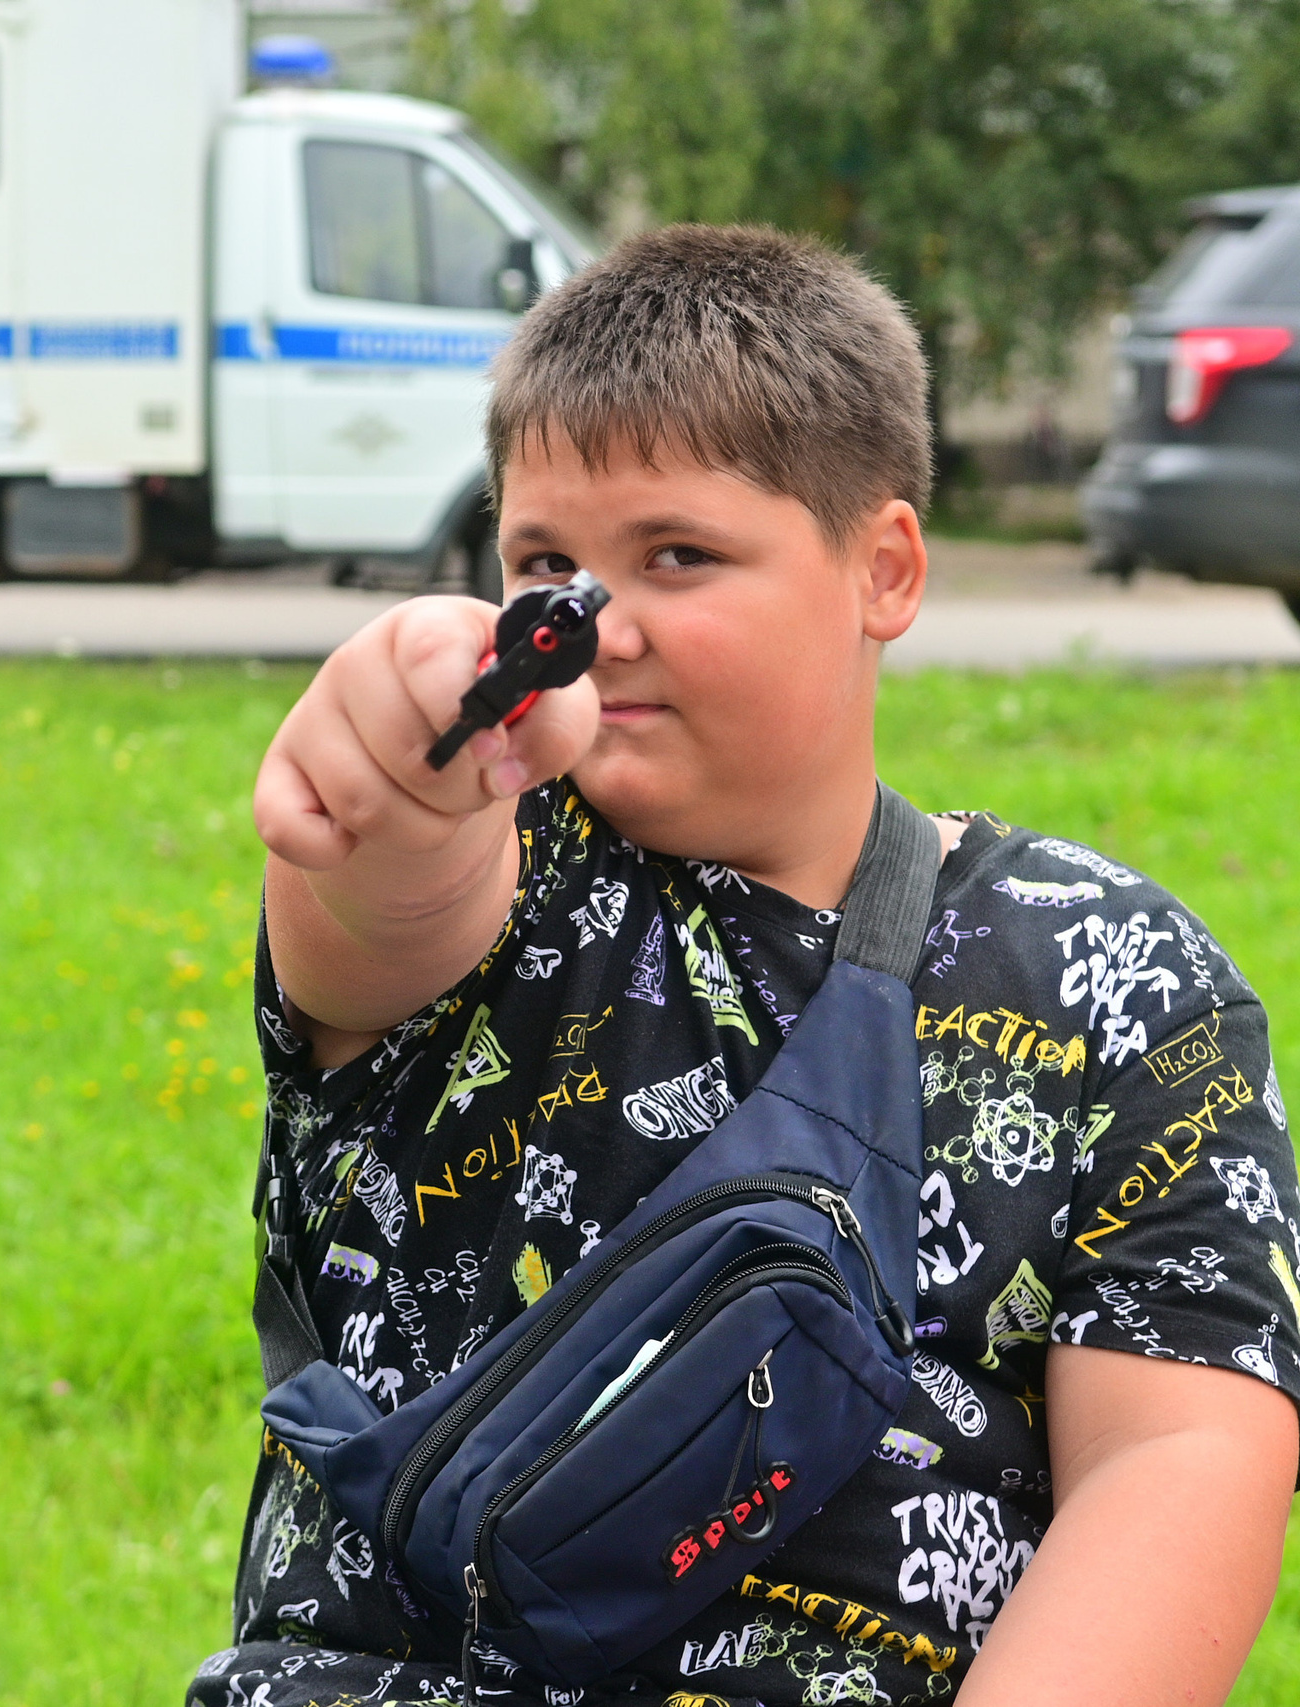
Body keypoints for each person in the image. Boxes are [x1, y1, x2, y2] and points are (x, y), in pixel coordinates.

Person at [195, 225, 1300, 1707]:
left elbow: (1178, 1454)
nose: (591, 627)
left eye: (679, 556)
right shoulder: (498, 860)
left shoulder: (1114, 972)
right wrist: (397, 748)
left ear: (883, 570)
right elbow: (377, 898)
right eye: (544, 566)